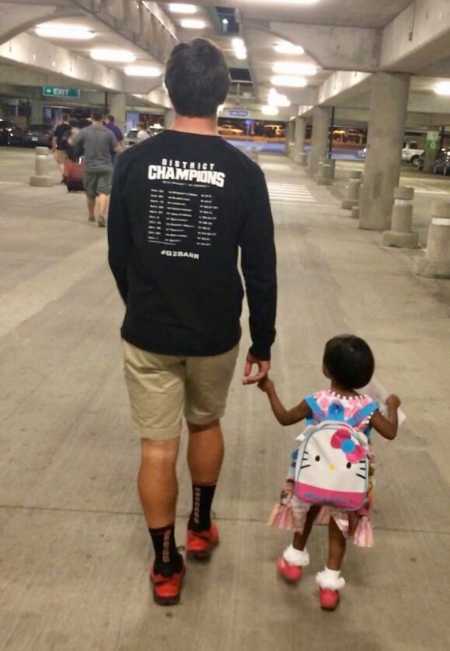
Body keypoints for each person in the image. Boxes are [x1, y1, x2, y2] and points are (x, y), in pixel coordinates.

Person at [108, 38, 277, 606]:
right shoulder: (243, 173)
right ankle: (201, 525)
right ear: (223, 96)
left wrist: (140, 302)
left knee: (157, 447)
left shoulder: (133, 164)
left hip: (149, 329)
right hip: (214, 333)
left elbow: (119, 253)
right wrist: (264, 339)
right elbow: (259, 265)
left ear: (167, 89)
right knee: (205, 424)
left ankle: (164, 563)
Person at [258, 335, 400, 611]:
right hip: (346, 483)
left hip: (312, 476)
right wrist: (392, 405)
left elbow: (284, 417)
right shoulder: (368, 408)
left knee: (307, 513)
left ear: (326, 370)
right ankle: (329, 586)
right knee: (338, 526)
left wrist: (270, 390)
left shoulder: (316, 401)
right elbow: (391, 432)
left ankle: (294, 558)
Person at [73, 109, 117, 227]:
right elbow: (117, 149)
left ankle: (91, 215)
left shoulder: (84, 131)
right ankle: (102, 215)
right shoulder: (109, 133)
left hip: (90, 167)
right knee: (104, 192)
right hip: (106, 166)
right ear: (103, 118)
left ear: (92, 117)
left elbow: (73, 142)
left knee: (90, 193)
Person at [52, 112, 72, 178]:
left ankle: (64, 175)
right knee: (68, 162)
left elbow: (55, 138)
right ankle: (68, 175)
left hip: (60, 147)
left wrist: (54, 147)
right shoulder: (71, 128)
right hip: (70, 148)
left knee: (60, 163)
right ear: (68, 119)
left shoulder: (59, 127)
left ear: (62, 119)